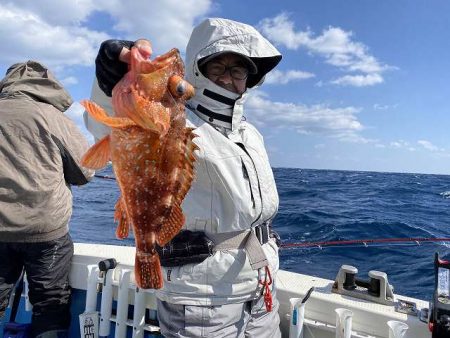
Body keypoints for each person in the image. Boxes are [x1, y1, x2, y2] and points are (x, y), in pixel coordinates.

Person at [87, 17, 282, 337]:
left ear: (250, 77)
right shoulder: (175, 116)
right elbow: (111, 124)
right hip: (202, 301)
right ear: (197, 69)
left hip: (261, 288)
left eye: (239, 70)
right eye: (217, 67)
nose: (228, 78)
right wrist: (109, 82)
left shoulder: (250, 132)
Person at [0, 61, 94, 337]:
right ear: (47, 86)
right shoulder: (53, 117)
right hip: (45, 231)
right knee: (50, 303)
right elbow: (85, 172)